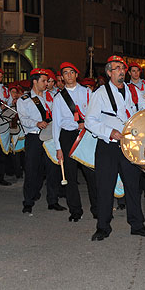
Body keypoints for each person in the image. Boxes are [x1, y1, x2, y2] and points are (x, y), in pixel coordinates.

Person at [85, 55, 145, 240]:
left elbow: (144, 110)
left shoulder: (133, 91)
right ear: (109, 72)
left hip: (130, 145)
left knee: (133, 186)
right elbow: (89, 121)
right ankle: (103, 227)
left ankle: (137, 224)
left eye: (123, 68)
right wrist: (109, 132)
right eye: (117, 68)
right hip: (108, 146)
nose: (121, 71)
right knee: (105, 187)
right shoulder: (100, 94)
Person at [52, 62, 97, 222]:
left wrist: (88, 124)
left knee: (91, 173)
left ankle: (97, 208)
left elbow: (95, 114)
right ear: (62, 77)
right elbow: (56, 124)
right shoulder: (58, 98)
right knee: (70, 175)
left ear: (76, 75)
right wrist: (58, 148)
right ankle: (75, 210)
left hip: (85, 134)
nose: (69, 75)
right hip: (67, 135)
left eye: (72, 72)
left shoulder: (87, 93)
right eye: (65, 73)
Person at [17, 68, 65, 214]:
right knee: (32, 170)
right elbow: (23, 119)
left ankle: (53, 200)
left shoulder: (51, 97)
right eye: (43, 81)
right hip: (34, 137)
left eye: (47, 81)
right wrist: (36, 123)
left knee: (53, 169)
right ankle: (28, 201)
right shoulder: (24, 100)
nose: (46, 84)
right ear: (35, 81)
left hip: (50, 136)